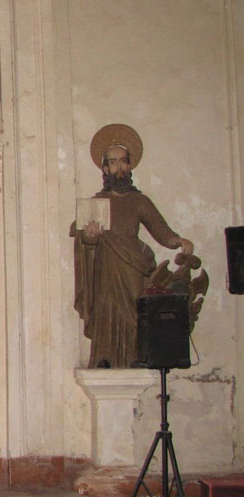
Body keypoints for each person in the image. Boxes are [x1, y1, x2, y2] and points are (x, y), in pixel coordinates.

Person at [72, 124, 193, 368]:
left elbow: (160, 229)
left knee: (136, 312)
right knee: (107, 308)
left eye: (123, 161)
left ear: (130, 166)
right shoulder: (97, 203)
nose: (118, 167)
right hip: (107, 268)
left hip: (134, 267)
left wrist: (177, 241)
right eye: (113, 162)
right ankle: (105, 356)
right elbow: (84, 237)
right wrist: (91, 237)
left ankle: (134, 355)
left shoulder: (139, 201)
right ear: (105, 168)